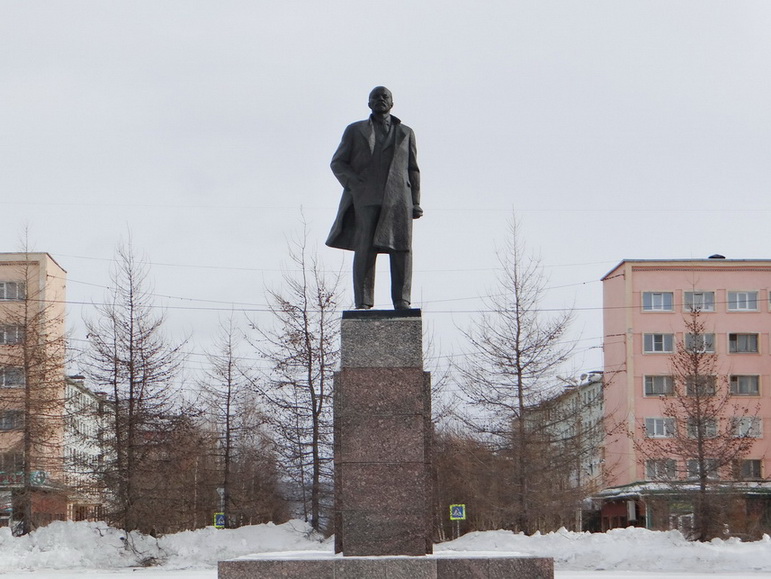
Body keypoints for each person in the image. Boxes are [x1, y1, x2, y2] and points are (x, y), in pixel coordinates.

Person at [326, 86, 422, 310]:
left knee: (401, 249)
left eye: (384, 97)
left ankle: (402, 300)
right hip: (366, 198)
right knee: (365, 249)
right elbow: (338, 163)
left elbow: (413, 169)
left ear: (392, 103)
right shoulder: (355, 130)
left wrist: (416, 202)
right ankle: (363, 301)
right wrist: (355, 184)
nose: (380, 100)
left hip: (399, 199)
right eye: (375, 97)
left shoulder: (406, 132)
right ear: (369, 103)